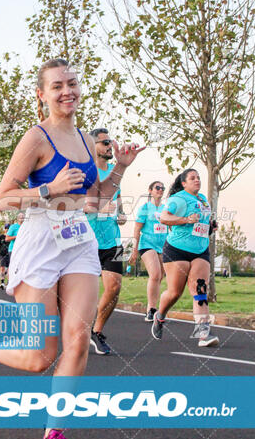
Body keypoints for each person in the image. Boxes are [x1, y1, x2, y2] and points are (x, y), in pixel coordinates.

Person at [0, 58, 143, 439]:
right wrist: (47, 189)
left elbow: (93, 202)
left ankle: (52, 437)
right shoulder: (36, 138)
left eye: (72, 83)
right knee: (42, 355)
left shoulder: (89, 143)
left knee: (77, 337)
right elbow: (4, 197)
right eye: (57, 86)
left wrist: (120, 169)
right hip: (41, 241)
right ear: (42, 95)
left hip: (78, 241)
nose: (67, 91)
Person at [151, 169, 219, 347]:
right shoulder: (178, 199)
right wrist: (186, 219)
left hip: (200, 250)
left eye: (198, 178)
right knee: (175, 293)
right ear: (184, 183)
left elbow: (202, 223)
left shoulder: (203, 199)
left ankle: (203, 332)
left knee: (200, 290)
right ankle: (160, 316)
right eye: (192, 178)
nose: (197, 180)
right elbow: (164, 218)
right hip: (176, 250)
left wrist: (210, 227)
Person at [87, 128, 127, 355]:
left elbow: (118, 200)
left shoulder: (115, 171)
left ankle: (97, 331)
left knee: (115, 287)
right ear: (93, 147)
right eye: (104, 143)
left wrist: (121, 214)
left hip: (112, 240)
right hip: (86, 240)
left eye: (110, 142)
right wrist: (91, 207)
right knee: (86, 293)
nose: (109, 146)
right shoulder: (86, 172)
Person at [129, 181, 167, 322]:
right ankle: (150, 310)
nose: (160, 190)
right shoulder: (145, 208)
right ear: (150, 190)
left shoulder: (166, 208)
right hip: (147, 245)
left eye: (162, 188)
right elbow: (137, 230)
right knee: (155, 274)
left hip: (162, 246)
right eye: (157, 187)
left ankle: (155, 307)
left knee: (160, 276)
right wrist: (134, 250)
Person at [0, 223, 11, 290]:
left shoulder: (11, 237)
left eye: (8, 229)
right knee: (2, 268)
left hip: (10, 254)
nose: (7, 230)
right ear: (4, 229)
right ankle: (2, 282)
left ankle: (9, 282)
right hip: (2, 254)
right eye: (6, 228)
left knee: (9, 269)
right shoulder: (1, 237)